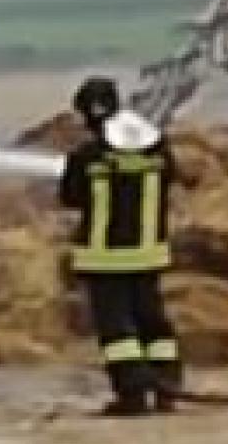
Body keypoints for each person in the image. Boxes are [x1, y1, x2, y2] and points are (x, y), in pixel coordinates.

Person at [59, 77, 183, 416]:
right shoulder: (158, 150)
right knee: (153, 322)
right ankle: (167, 387)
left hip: (105, 258)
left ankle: (132, 394)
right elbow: (171, 178)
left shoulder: (87, 156)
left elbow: (70, 197)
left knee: (118, 332)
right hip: (149, 254)